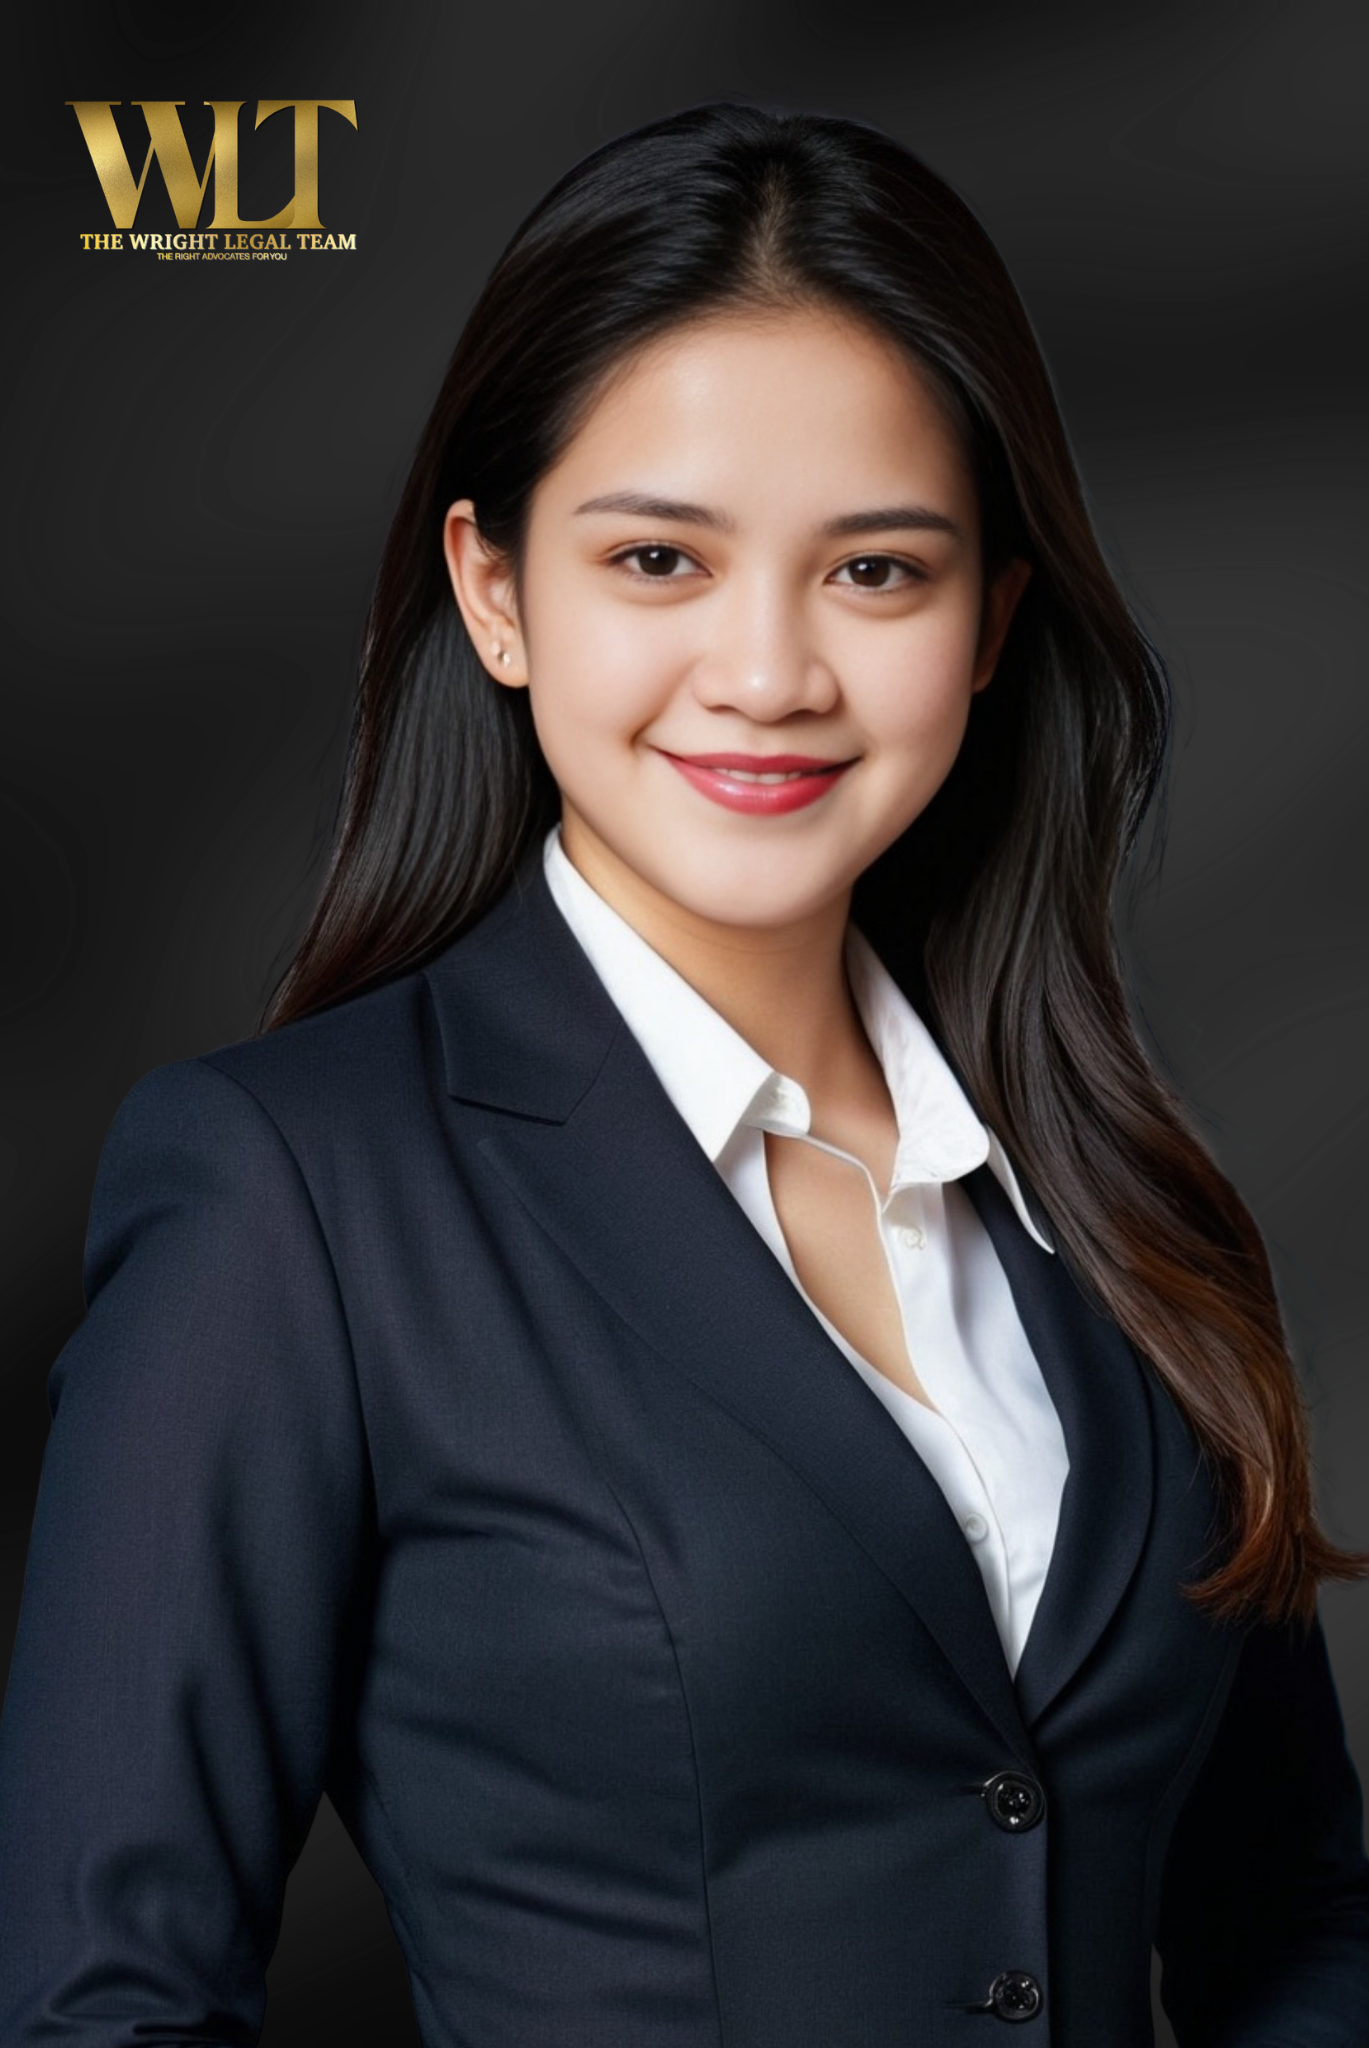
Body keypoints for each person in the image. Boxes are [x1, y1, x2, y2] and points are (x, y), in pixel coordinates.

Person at [0, 100, 1365, 2048]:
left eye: (877, 572)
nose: (768, 670)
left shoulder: (1129, 1203)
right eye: (659, 558)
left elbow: (1301, 1909)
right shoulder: (289, 1194)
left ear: (992, 622)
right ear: (494, 590)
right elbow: (101, 1999)